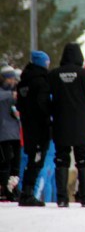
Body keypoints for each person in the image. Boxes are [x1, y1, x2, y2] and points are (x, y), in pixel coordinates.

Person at [48, 43, 85, 207]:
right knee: (84, 159)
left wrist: (53, 108)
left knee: (61, 159)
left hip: (60, 122)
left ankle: (62, 198)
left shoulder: (53, 75)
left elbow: (43, 98)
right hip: (80, 123)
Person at [16, 51, 52, 206]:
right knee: (36, 161)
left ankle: (25, 192)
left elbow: (19, 105)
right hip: (40, 127)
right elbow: (43, 104)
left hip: (27, 126)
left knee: (31, 159)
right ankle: (28, 193)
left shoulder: (23, 82)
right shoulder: (41, 82)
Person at [0, 65, 22, 202]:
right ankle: (5, 188)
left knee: (15, 163)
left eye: (13, 78)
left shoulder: (15, 91)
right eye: (10, 79)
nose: (12, 81)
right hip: (3, 134)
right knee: (5, 162)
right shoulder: (5, 92)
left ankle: (13, 187)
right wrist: (10, 95)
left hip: (15, 132)